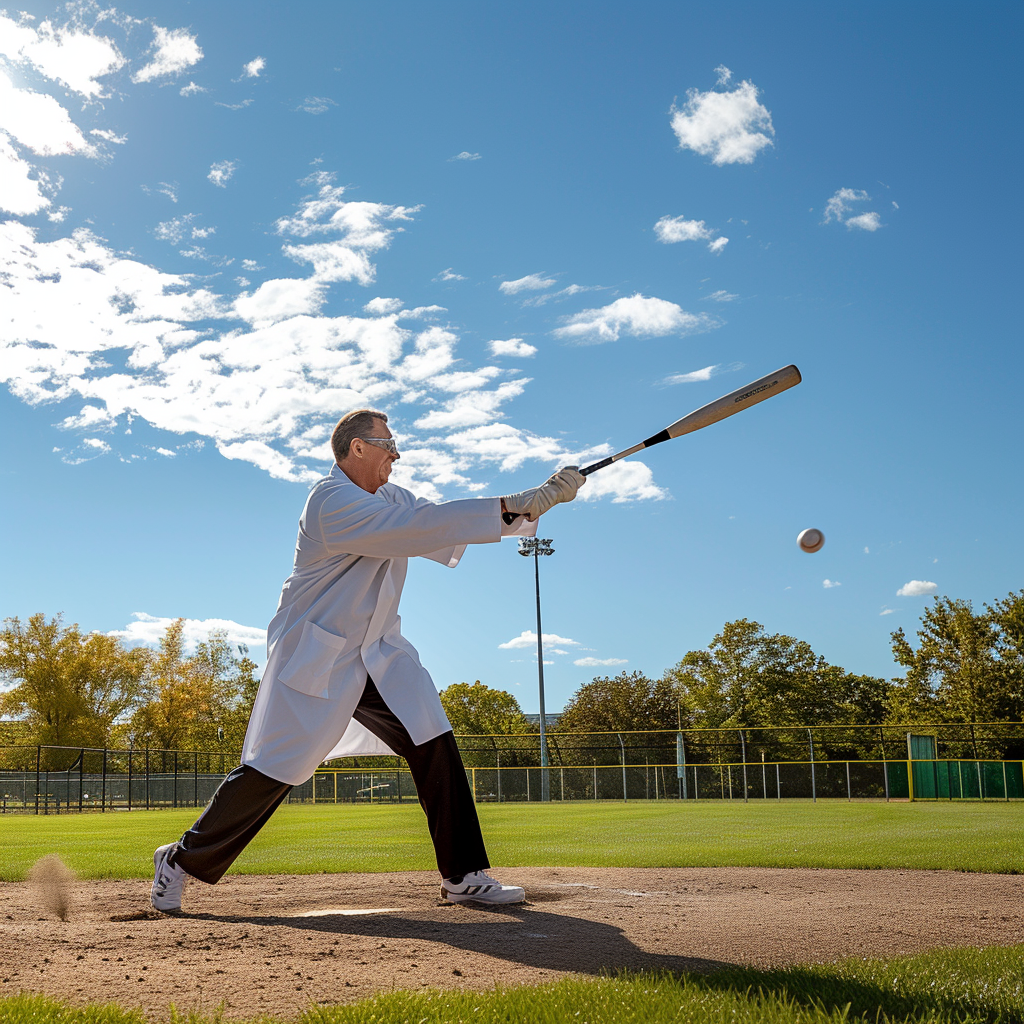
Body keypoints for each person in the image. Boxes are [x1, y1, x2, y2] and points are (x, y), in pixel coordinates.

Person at [151, 408, 585, 911]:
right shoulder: (329, 501)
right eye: (388, 443)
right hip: (318, 655)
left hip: (379, 652)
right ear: (357, 448)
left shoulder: (392, 498)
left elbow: (439, 526)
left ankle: (463, 874)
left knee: (434, 740)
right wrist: (514, 503)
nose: (396, 455)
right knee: (274, 769)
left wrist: (533, 506)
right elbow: (419, 526)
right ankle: (180, 861)